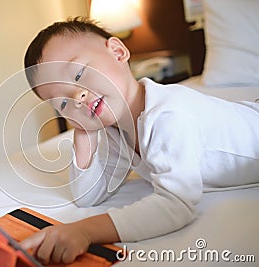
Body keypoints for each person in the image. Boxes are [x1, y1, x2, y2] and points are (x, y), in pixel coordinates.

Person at [20, 17, 259, 264]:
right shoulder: (116, 131)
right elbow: (88, 198)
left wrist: (84, 230)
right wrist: (84, 132)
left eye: (79, 73)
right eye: (62, 103)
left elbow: (177, 205)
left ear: (118, 52)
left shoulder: (168, 115)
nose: (76, 96)